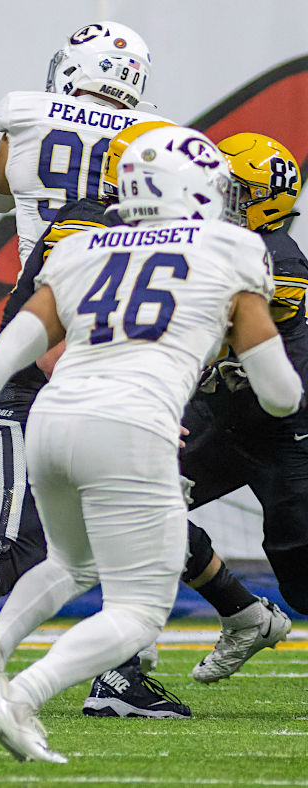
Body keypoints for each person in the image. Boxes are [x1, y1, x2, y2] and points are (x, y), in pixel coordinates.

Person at [0, 126, 302, 762]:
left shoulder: (85, 245)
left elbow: (8, 350)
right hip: (134, 428)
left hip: (54, 423)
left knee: (69, 563)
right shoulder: (231, 250)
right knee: (139, 612)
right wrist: (236, 343)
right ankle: (21, 696)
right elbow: (281, 394)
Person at [174, 132, 306, 682]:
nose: (218, 199)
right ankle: (242, 613)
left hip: (287, 432)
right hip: (225, 417)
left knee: (301, 579)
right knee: (132, 502)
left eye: (232, 191)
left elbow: (214, 336)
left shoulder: (276, 258)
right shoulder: (223, 245)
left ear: (265, 200)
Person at [0, 20, 167, 266]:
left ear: (74, 67)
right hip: (116, 294)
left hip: (38, 290)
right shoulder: (160, 134)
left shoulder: (24, 111)